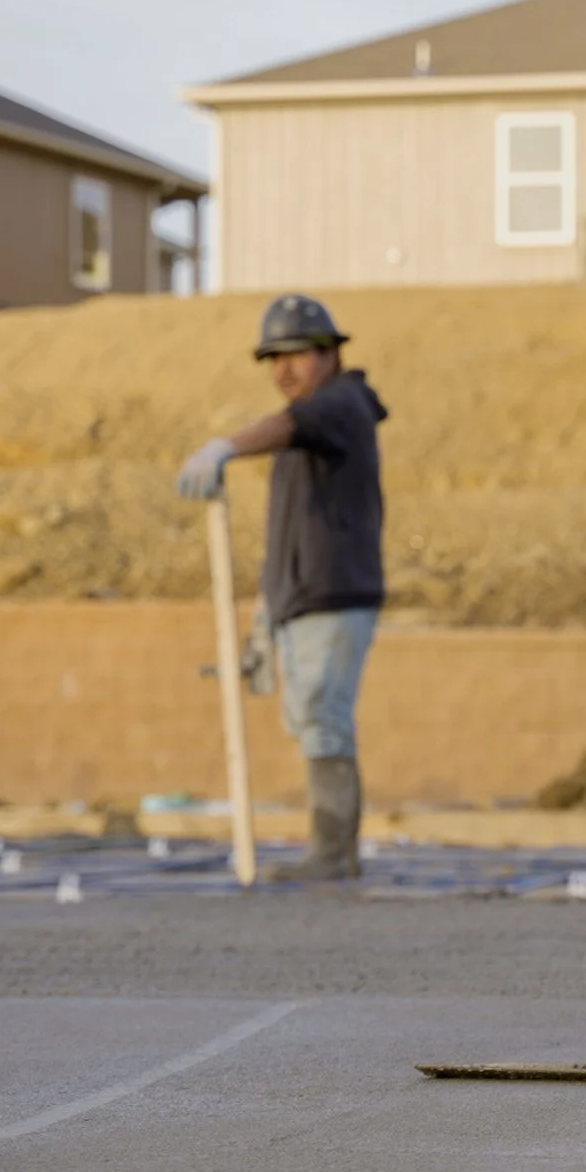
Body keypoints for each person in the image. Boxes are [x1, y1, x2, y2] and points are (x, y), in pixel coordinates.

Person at [176, 295, 390, 882]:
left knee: (323, 716)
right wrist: (265, 620)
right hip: (303, 601)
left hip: (334, 596)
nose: (282, 370)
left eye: (295, 355)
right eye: (273, 359)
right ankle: (332, 853)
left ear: (329, 354)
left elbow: (287, 425)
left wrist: (226, 446)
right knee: (311, 718)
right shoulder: (310, 426)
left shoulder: (339, 404)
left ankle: (331, 856)